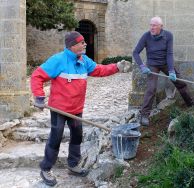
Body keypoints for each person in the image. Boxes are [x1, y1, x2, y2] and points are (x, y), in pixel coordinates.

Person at [31, 31, 131, 186]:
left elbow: (99, 70)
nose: (85, 44)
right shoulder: (58, 60)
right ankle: (45, 168)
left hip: (76, 108)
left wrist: (116, 67)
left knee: (77, 136)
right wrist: (39, 96)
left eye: (84, 41)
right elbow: (37, 76)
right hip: (59, 109)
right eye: (82, 42)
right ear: (72, 45)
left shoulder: (84, 61)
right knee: (55, 137)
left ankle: (73, 165)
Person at [133, 16, 193, 126]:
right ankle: (145, 115)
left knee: (180, 82)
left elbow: (169, 54)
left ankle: (191, 104)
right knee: (151, 88)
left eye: (154, 25)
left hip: (165, 63)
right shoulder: (146, 36)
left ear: (161, 26)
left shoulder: (168, 36)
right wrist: (142, 66)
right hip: (152, 65)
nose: (152, 27)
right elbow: (135, 52)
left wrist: (171, 71)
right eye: (150, 25)